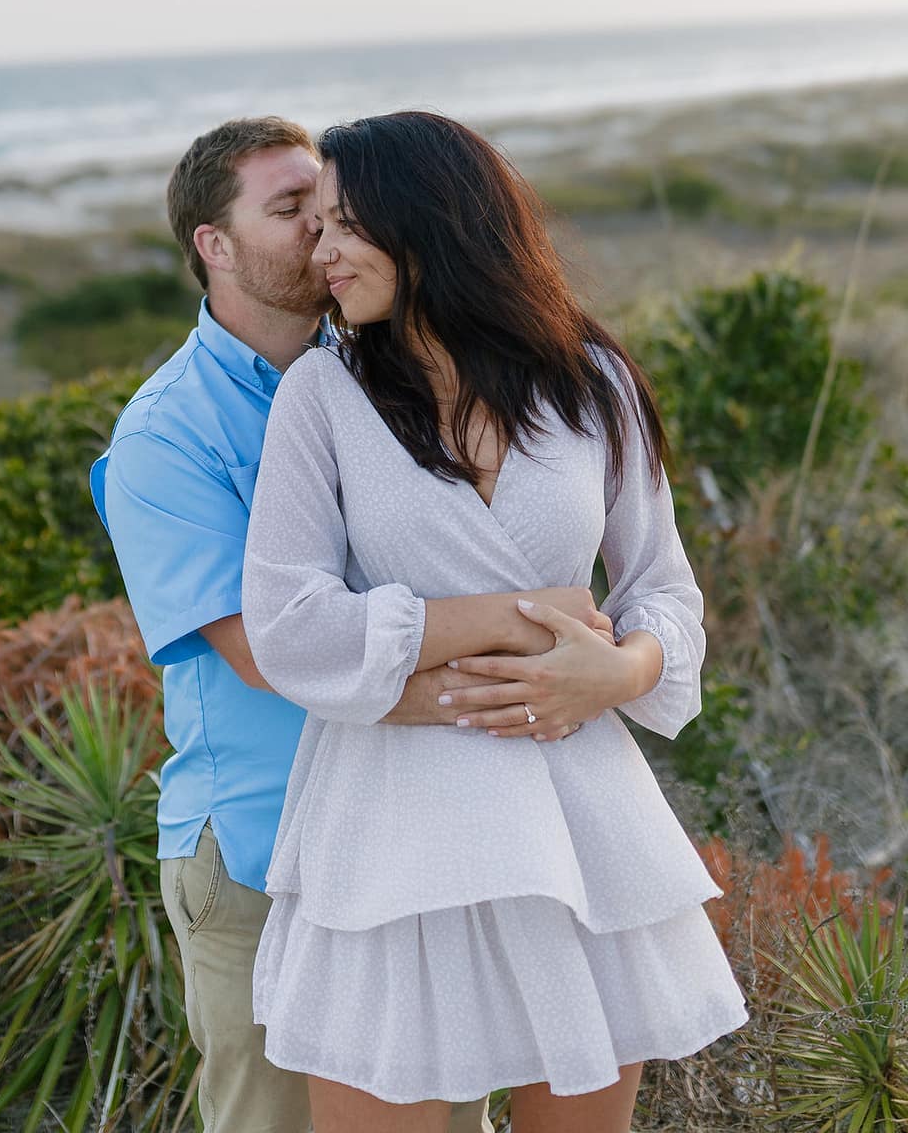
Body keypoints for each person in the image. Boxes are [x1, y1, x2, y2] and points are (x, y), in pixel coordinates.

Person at [91, 116, 620, 1133]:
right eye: (289, 212)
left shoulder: (402, 375)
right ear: (213, 245)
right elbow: (265, 654)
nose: (320, 235)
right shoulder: (167, 435)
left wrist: (599, 671)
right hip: (260, 847)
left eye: (330, 209)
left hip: (427, 827)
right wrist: (528, 660)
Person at [241, 111, 748, 1133]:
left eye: (344, 225)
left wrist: (622, 671)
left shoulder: (589, 382)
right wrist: (522, 621)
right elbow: (287, 623)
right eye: (316, 224)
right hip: (389, 844)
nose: (320, 251)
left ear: (428, 221)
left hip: (576, 834)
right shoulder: (320, 395)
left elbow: (661, 592)